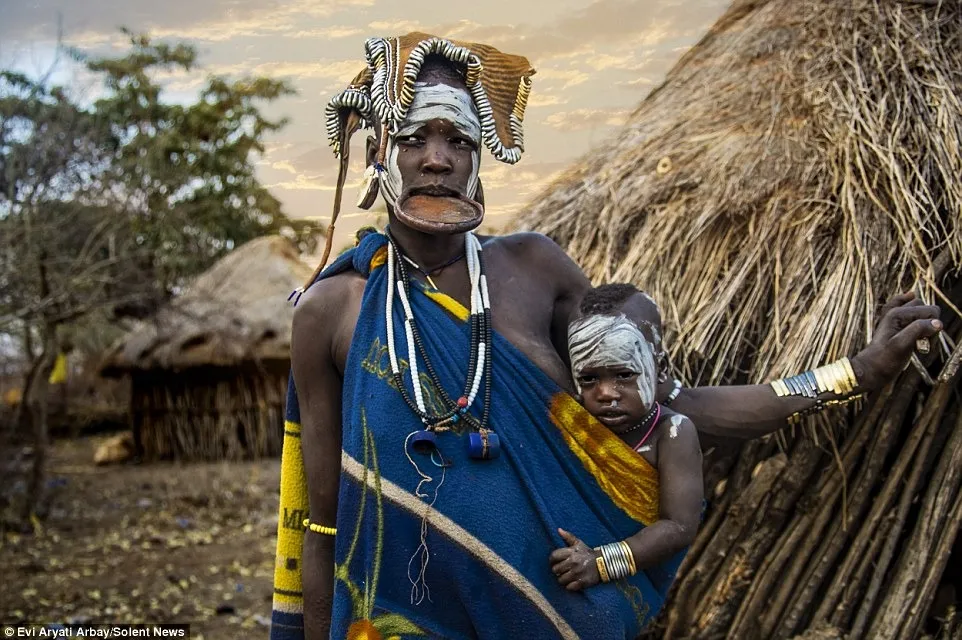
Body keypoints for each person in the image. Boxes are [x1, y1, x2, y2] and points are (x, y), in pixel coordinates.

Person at [270, 33, 942, 640]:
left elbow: (671, 405)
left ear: (482, 157)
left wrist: (854, 372)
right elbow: (326, 521)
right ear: (377, 149)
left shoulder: (535, 270)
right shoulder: (332, 314)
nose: (439, 160)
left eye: (460, 141)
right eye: (416, 137)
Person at [550, 285, 702, 598]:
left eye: (624, 375)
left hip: (620, 585)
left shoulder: (672, 433)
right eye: (589, 379)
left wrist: (600, 564)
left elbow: (679, 526)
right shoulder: (571, 420)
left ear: (659, 366)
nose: (606, 393)